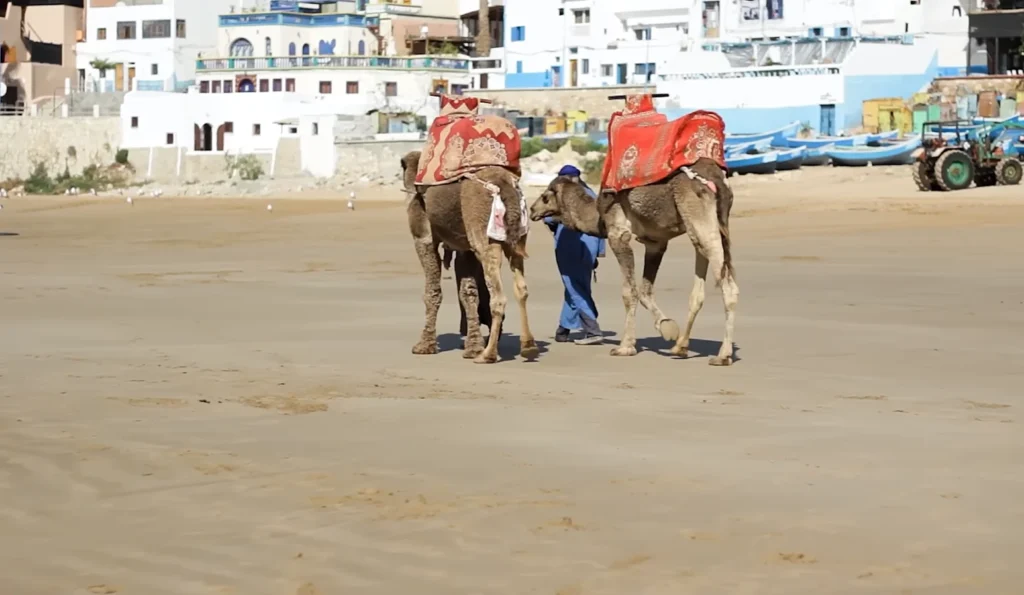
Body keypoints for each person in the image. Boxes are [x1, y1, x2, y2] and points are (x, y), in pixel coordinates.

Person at [546, 165, 605, 345]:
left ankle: (592, 329)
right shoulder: (591, 195)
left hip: (569, 247)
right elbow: (602, 225)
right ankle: (563, 329)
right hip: (590, 248)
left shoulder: (562, 196)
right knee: (575, 287)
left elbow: (548, 218)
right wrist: (599, 252)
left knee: (576, 288)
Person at [444, 247, 493, 342]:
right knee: (482, 286)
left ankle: (475, 333)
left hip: (467, 248)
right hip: (484, 248)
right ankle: (491, 328)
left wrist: (448, 250)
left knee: (470, 288)